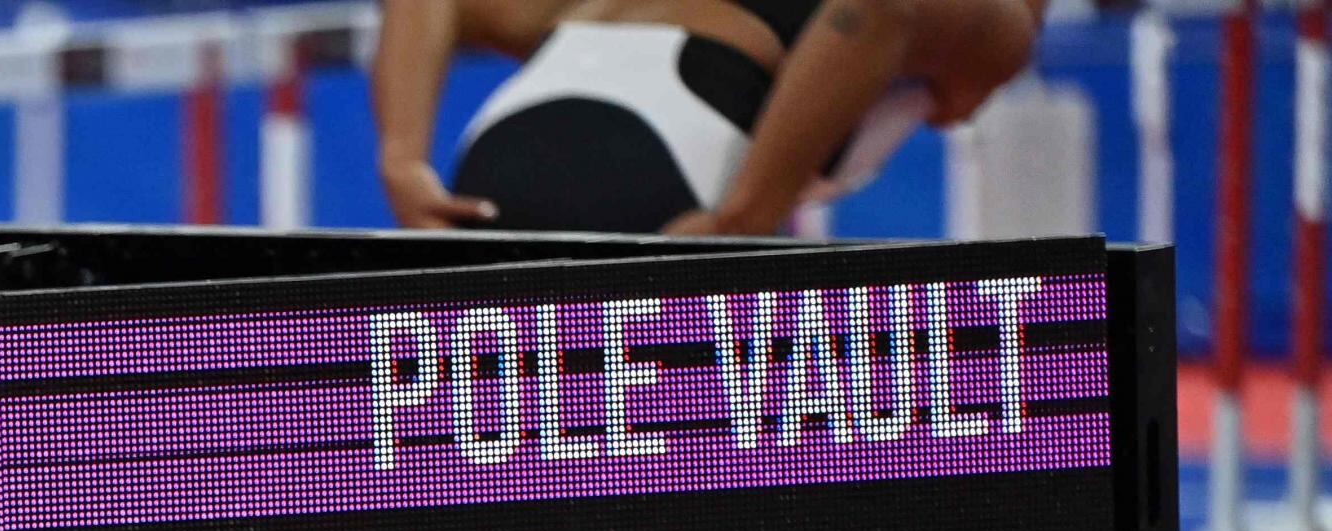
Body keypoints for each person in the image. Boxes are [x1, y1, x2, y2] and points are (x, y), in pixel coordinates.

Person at [371, 0, 1044, 238]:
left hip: (487, 170)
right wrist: (745, 217)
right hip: (662, 185)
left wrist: (403, 158)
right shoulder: (999, 35)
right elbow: (877, 12)